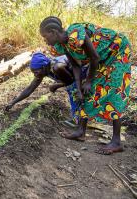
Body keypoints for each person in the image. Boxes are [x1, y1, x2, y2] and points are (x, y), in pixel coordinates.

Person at [40, 16, 132, 155]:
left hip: (118, 50)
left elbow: (94, 58)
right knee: (86, 90)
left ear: (53, 32)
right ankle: (80, 131)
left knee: (113, 91)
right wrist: (79, 88)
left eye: (45, 36)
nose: (45, 41)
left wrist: (88, 81)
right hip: (102, 57)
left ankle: (117, 141)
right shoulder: (63, 44)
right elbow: (76, 65)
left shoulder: (76, 33)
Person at [5, 52, 86, 126]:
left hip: (86, 73)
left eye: (36, 72)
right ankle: (78, 119)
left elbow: (72, 80)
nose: (35, 75)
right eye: (33, 73)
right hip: (76, 79)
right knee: (74, 92)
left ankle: (81, 122)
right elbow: (30, 89)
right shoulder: (44, 71)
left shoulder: (57, 67)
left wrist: (56, 85)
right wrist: (13, 102)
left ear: (43, 67)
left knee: (76, 93)